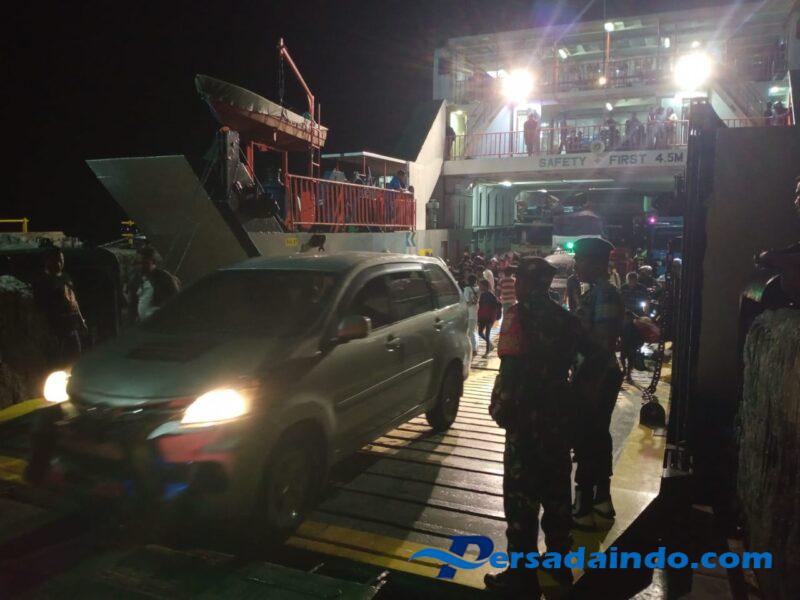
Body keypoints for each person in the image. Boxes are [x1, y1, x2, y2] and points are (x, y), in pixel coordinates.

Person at [484, 258, 601, 595]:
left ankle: (522, 576)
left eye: (519, 279)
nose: (516, 284)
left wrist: (501, 406)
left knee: (520, 498)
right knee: (556, 490)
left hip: (524, 415)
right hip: (557, 416)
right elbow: (591, 359)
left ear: (528, 283)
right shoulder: (567, 320)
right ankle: (559, 564)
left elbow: (510, 367)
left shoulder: (517, 316)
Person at [571, 237, 624, 528]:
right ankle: (600, 500)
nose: (576, 265)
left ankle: (584, 504)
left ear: (595, 262)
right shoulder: (596, 292)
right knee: (596, 436)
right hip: (595, 372)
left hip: (596, 374)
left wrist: (574, 330)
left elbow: (602, 341)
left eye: (580, 260)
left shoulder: (605, 293)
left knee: (588, 437)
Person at [33, 248, 87, 367]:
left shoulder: (66, 276)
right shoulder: (43, 281)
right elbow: (40, 310)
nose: (59, 263)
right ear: (47, 261)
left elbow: (73, 300)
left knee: (76, 359)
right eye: (56, 260)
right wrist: (46, 331)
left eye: (61, 260)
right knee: (57, 363)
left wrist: (81, 321)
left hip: (72, 327)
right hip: (55, 330)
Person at [128, 247, 180, 323]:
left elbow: (175, 299)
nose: (141, 266)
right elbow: (132, 303)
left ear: (153, 261)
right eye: (139, 263)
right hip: (142, 324)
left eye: (144, 262)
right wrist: (135, 317)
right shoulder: (136, 279)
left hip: (160, 323)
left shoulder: (164, 277)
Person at [477, 280, 501, 356]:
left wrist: (493, 317)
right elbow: (480, 307)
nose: (479, 287)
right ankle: (490, 345)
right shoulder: (482, 295)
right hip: (483, 316)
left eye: (480, 285)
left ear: (485, 286)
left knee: (487, 334)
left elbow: (496, 306)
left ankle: (487, 351)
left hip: (489, 317)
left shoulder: (491, 295)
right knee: (480, 332)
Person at [463, 274, 480, 355]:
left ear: (468, 281)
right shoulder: (478, 289)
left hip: (470, 313)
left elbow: (466, 301)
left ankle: (473, 349)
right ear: (475, 281)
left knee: (471, 331)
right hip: (477, 311)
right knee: (474, 330)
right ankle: (476, 347)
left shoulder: (466, 289)